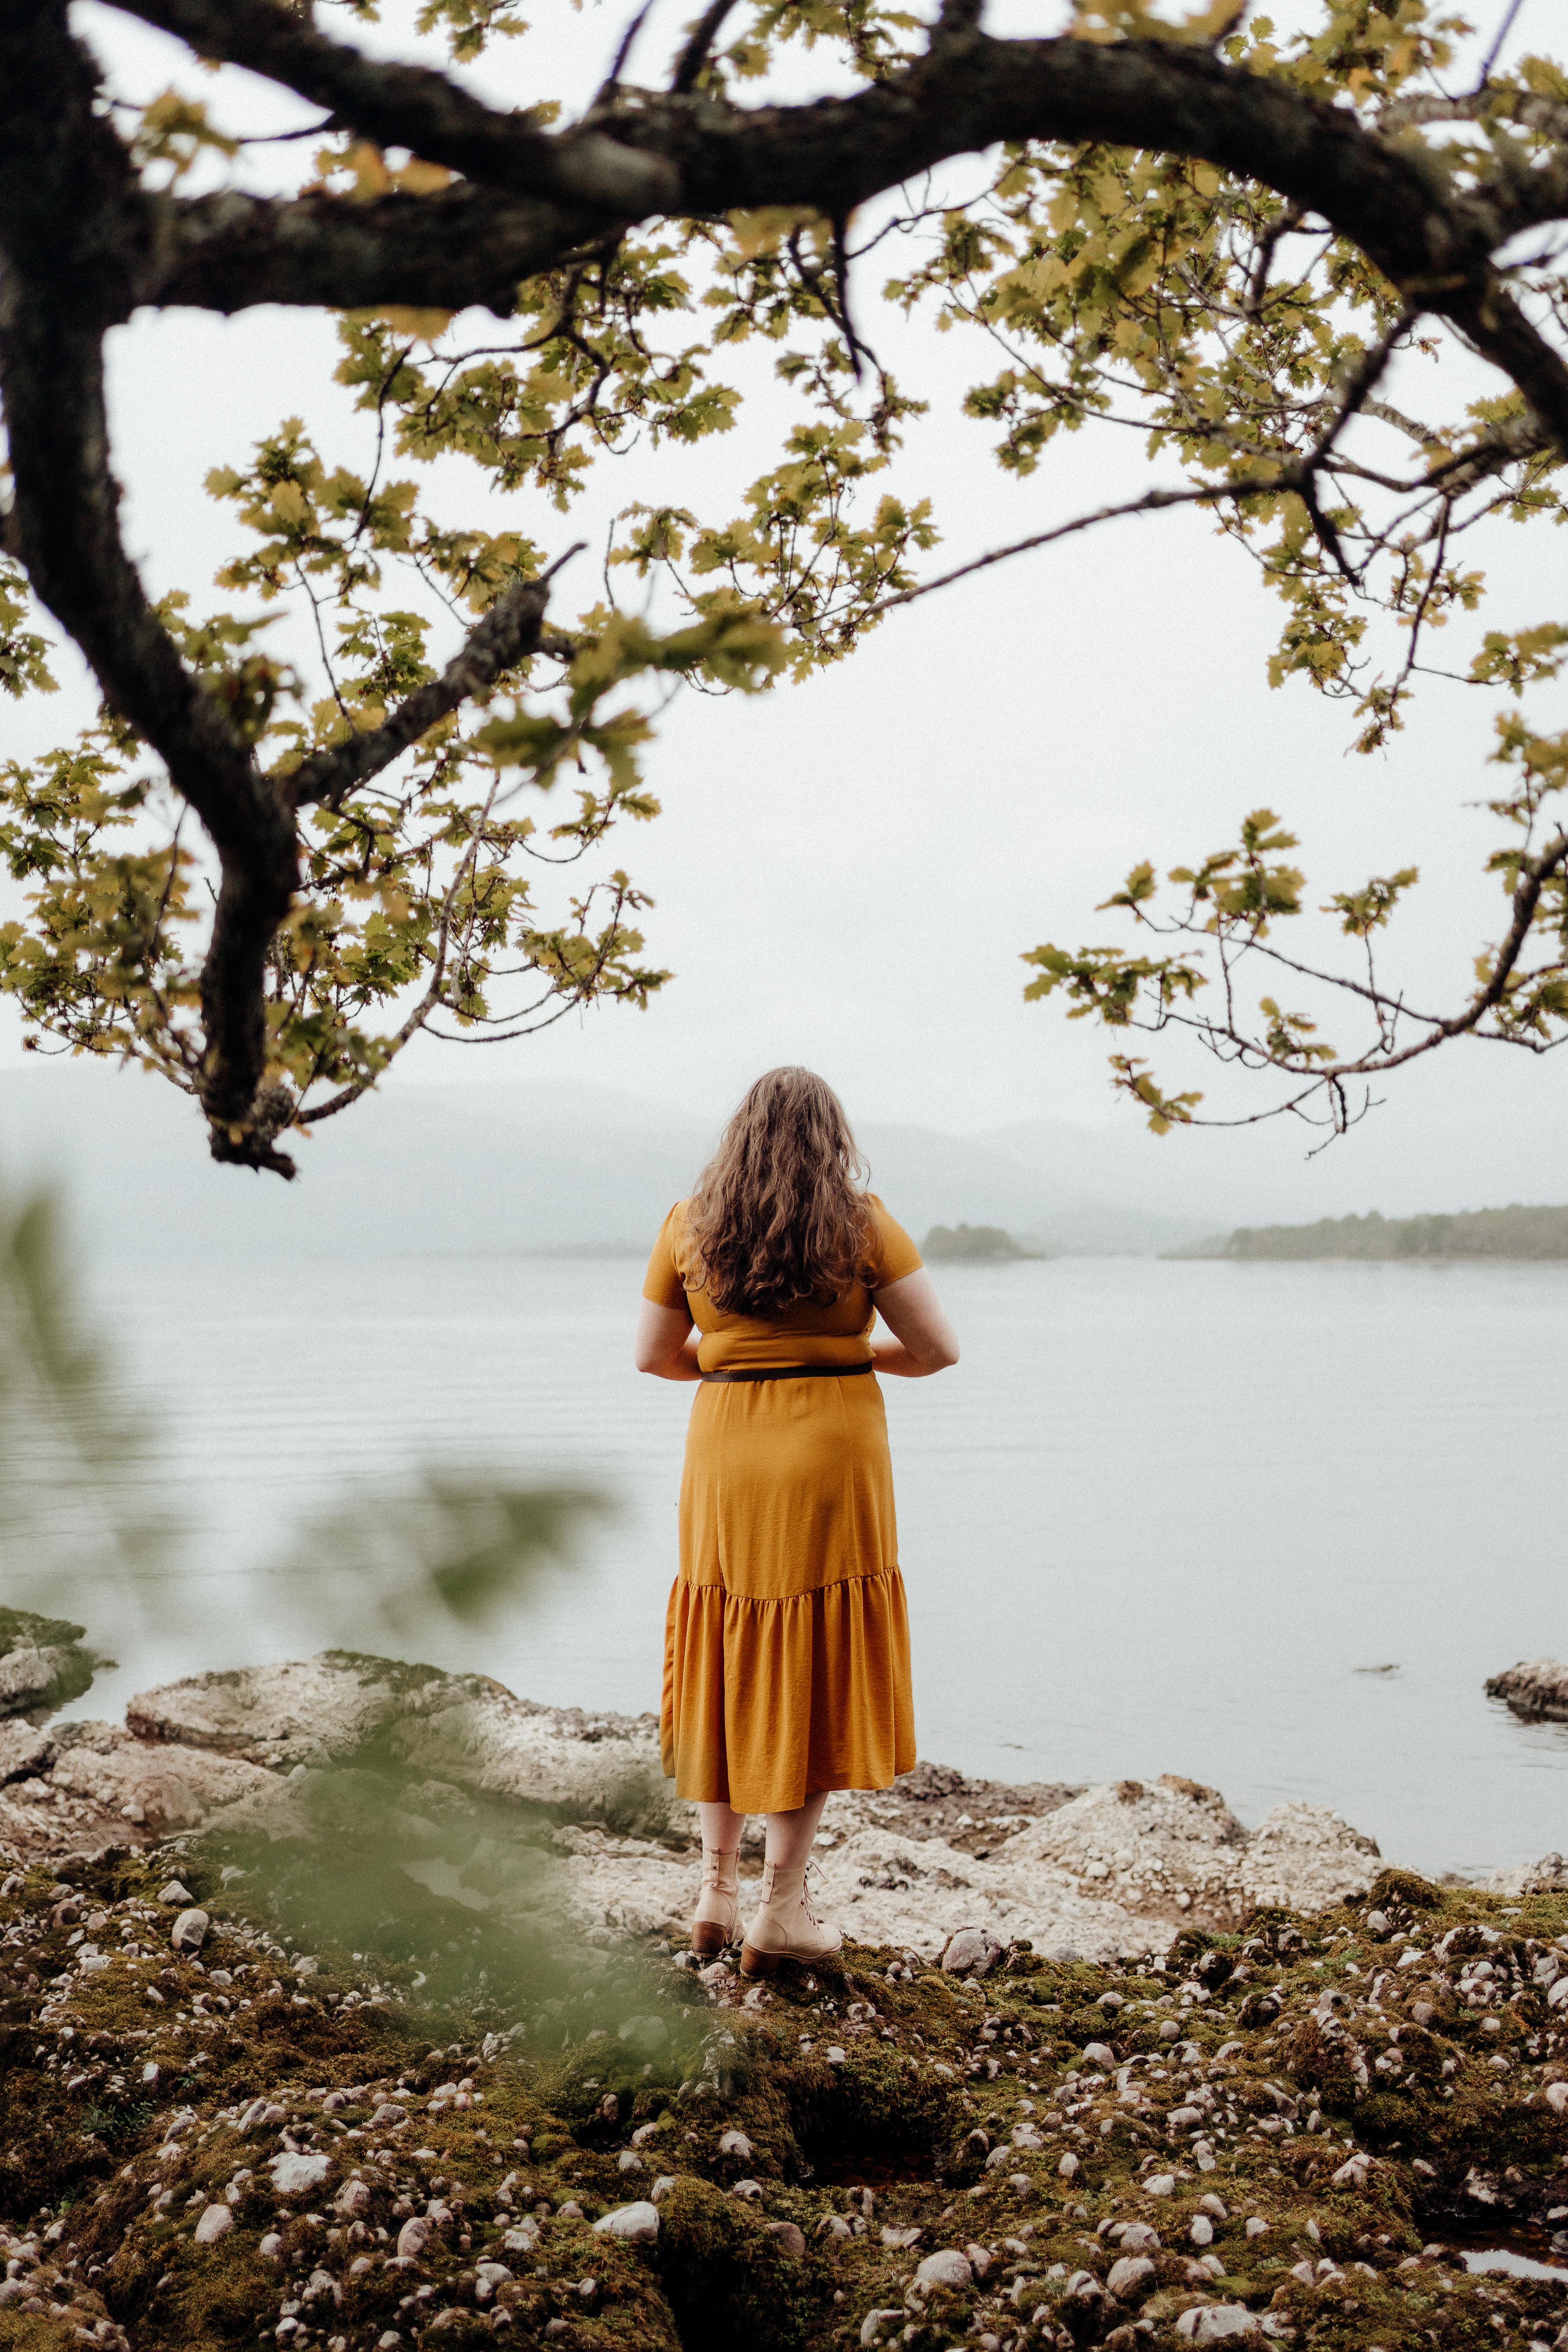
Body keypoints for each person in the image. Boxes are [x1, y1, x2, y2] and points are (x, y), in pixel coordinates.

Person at [634, 1066, 959, 1978]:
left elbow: (655, 1357)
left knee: (728, 1647)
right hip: (832, 1449)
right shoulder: (862, 1224)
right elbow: (938, 1349)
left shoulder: (687, 1224)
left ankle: (713, 1893)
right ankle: (783, 1907)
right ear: (833, 1140)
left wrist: (744, 1360)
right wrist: (843, 1355)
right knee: (806, 1658)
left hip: (727, 1448)